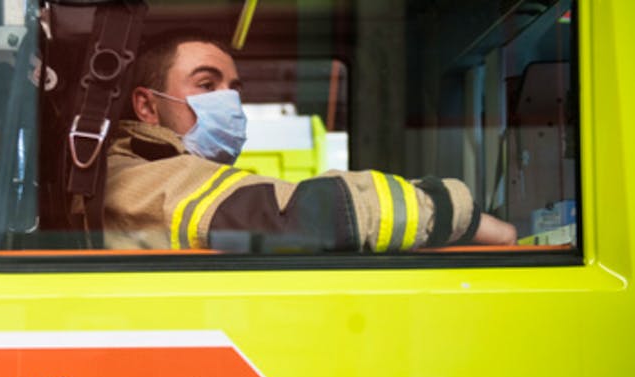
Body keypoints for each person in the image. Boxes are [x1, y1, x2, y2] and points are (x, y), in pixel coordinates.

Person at [103, 31, 518, 252]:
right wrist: (462, 216)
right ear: (146, 106)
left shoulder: (164, 170)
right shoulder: (142, 177)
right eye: (207, 84)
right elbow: (292, 217)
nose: (228, 101)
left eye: (234, 88)